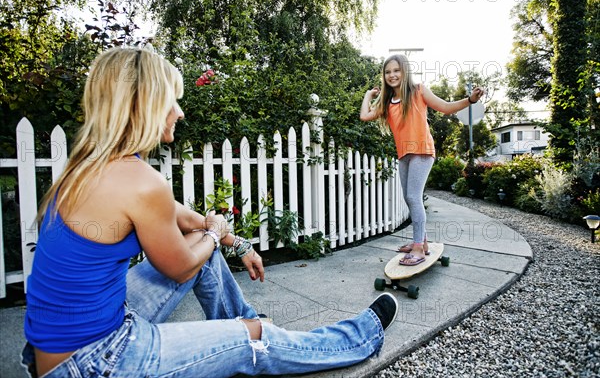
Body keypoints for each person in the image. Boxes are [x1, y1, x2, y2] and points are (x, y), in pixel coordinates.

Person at [22, 47, 399, 378]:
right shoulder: (140, 180)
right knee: (249, 337)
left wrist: (232, 240)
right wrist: (215, 234)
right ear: (147, 104)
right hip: (95, 362)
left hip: (55, 351)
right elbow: (182, 265)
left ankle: (250, 323)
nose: (180, 113)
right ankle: (339, 337)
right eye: (173, 100)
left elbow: (183, 218)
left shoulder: (90, 166)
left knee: (201, 248)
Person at [360, 54, 484, 266]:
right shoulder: (388, 102)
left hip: (423, 152)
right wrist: (368, 95)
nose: (392, 75)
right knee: (410, 199)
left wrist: (470, 100)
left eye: (396, 70)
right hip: (404, 155)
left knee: (413, 197)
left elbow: (445, 107)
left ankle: (418, 246)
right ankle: (422, 241)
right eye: (388, 72)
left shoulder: (418, 91)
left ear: (405, 71)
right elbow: (365, 115)